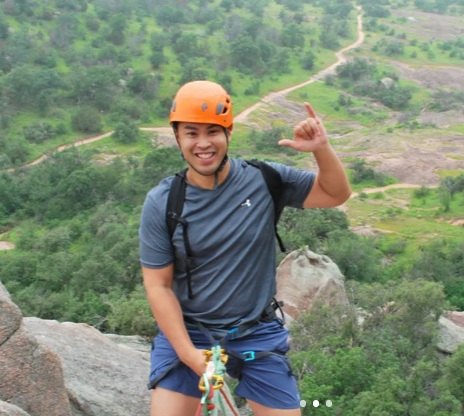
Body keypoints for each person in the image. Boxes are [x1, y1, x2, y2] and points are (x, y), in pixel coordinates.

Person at [139, 80, 351, 416]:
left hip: (256, 331)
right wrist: (189, 354)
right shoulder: (163, 203)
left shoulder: (264, 179)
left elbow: (335, 193)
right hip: (190, 332)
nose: (203, 143)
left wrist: (321, 149)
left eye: (213, 131)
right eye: (191, 133)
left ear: (229, 132)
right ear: (177, 137)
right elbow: (158, 285)